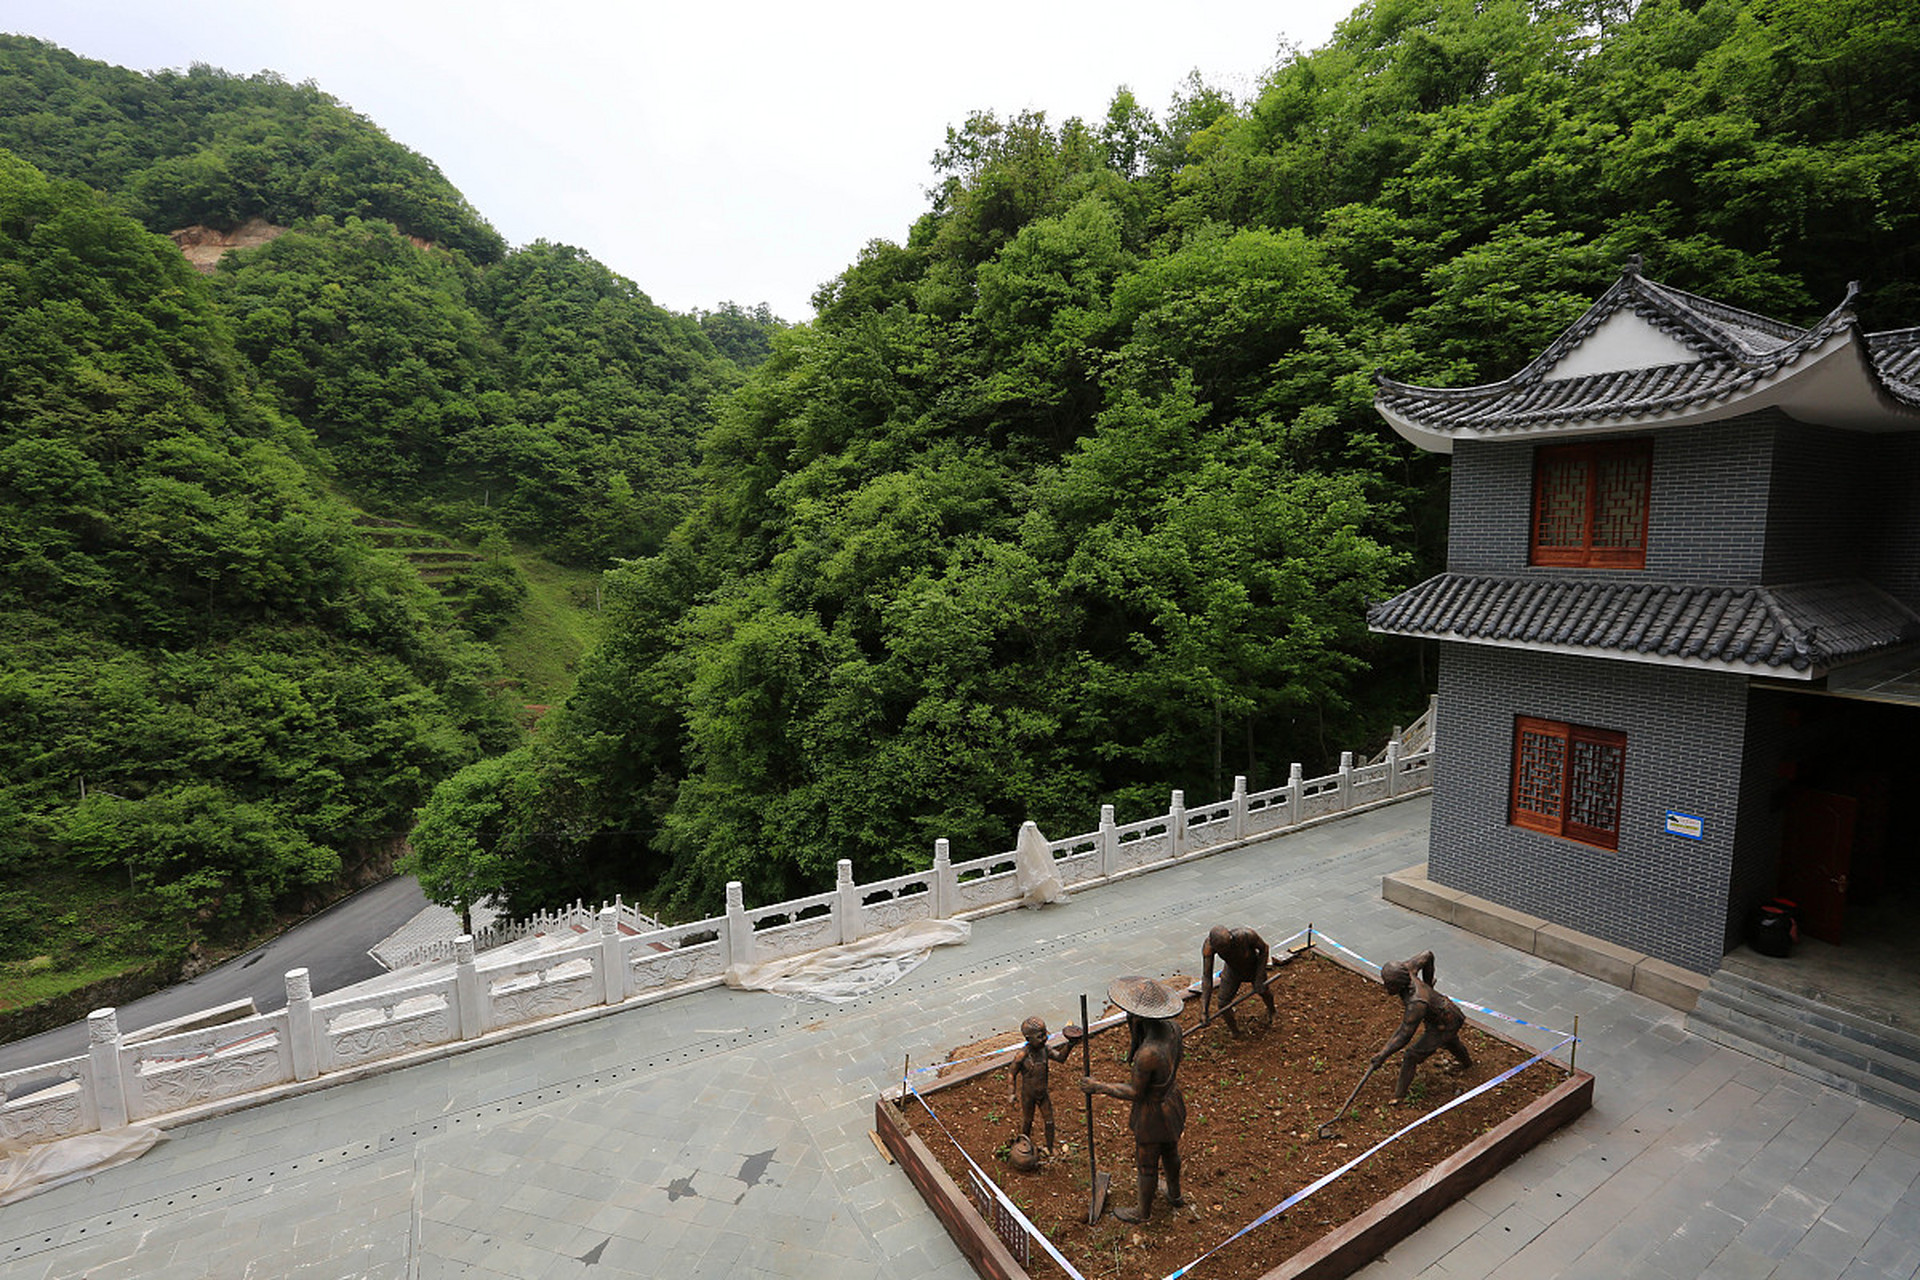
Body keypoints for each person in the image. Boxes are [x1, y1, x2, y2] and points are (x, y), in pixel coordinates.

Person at [1081, 976, 1187, 1222]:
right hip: (1173, 1102)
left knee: (1147, 1161)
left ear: (1139, 1018)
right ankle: (1175, 1194)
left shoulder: (1148, 1054)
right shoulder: (1174, 1029)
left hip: (1154, 1114)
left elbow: (1136, 1093)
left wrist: (1099, 1086)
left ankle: (1143, 1212)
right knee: (1171, 1150)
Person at [1371, 950, 1473, 1101]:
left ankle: (1399, 1096)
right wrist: (1428, 983)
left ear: (1400, 985)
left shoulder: (1416, 1003)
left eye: (1390, 986)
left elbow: (1404, 1034)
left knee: (1411, 1056)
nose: (1386, 988)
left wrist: (1383, 1054)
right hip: (1444, 1015)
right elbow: (1428, 955)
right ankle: (1468, 1064)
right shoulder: (1407, 969)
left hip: (1446, 1022)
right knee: (1450, 1040)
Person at [1008, 1016, 1072, 1153]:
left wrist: (1070, 1044)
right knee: (1027, 1121)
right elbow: (1011, 1073)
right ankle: (1023, 1148)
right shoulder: (1022, 1055)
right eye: (1040, 1036)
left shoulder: (1045, 1050)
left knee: (1049, 1121)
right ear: (1028, 1039)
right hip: (1028, 1095)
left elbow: (1061, 1058)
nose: (1044, 1039)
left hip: (1043, 1094)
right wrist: (1011, 1092)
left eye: (1045, 1034)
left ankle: (1050, 1147)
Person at [1200, 926, 1275, 1035]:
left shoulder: (1247, 935)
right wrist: (1204, 1011)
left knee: (1263, 991)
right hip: (1232, 971)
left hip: (1253, 967)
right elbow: (1207, 977)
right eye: (1223, 949)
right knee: (1223, 1004)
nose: (1227, 950)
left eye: (1228, 946)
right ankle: (1235, 1031)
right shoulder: (1209, 948)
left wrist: (1259, 977)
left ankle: (1272, 1011)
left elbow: (1264, 949)